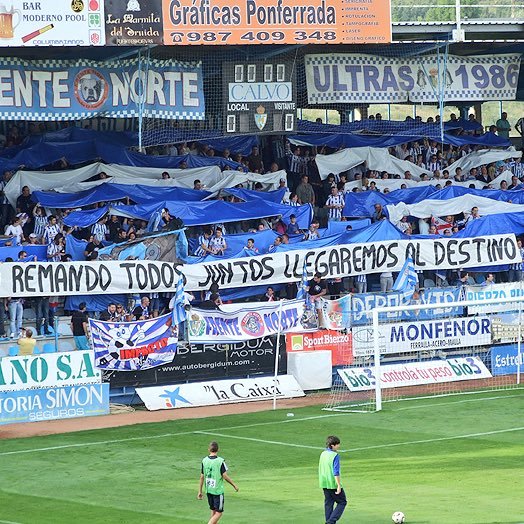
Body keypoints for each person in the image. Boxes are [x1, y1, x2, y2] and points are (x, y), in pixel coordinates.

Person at [198, 441, 239, 524]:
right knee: (219, 513)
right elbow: (225, 476)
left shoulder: (204, 460)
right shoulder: (220, 461)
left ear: (209, 449)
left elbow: (202, 477)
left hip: (209, 490)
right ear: (218, 449)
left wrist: (200, 491)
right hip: (217, 491)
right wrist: (234, 485)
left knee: (213, 511)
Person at [319, 435, 347, 524]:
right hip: (332, 483)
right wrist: (338, 485)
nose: (339, 446)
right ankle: (330, 522)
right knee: (342, 502)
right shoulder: (335, 455)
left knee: (329, 504)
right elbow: (336, 472)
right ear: (332, 445)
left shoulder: (323, 454)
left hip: (324, 482)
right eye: (337, 444)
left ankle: (329, 522)